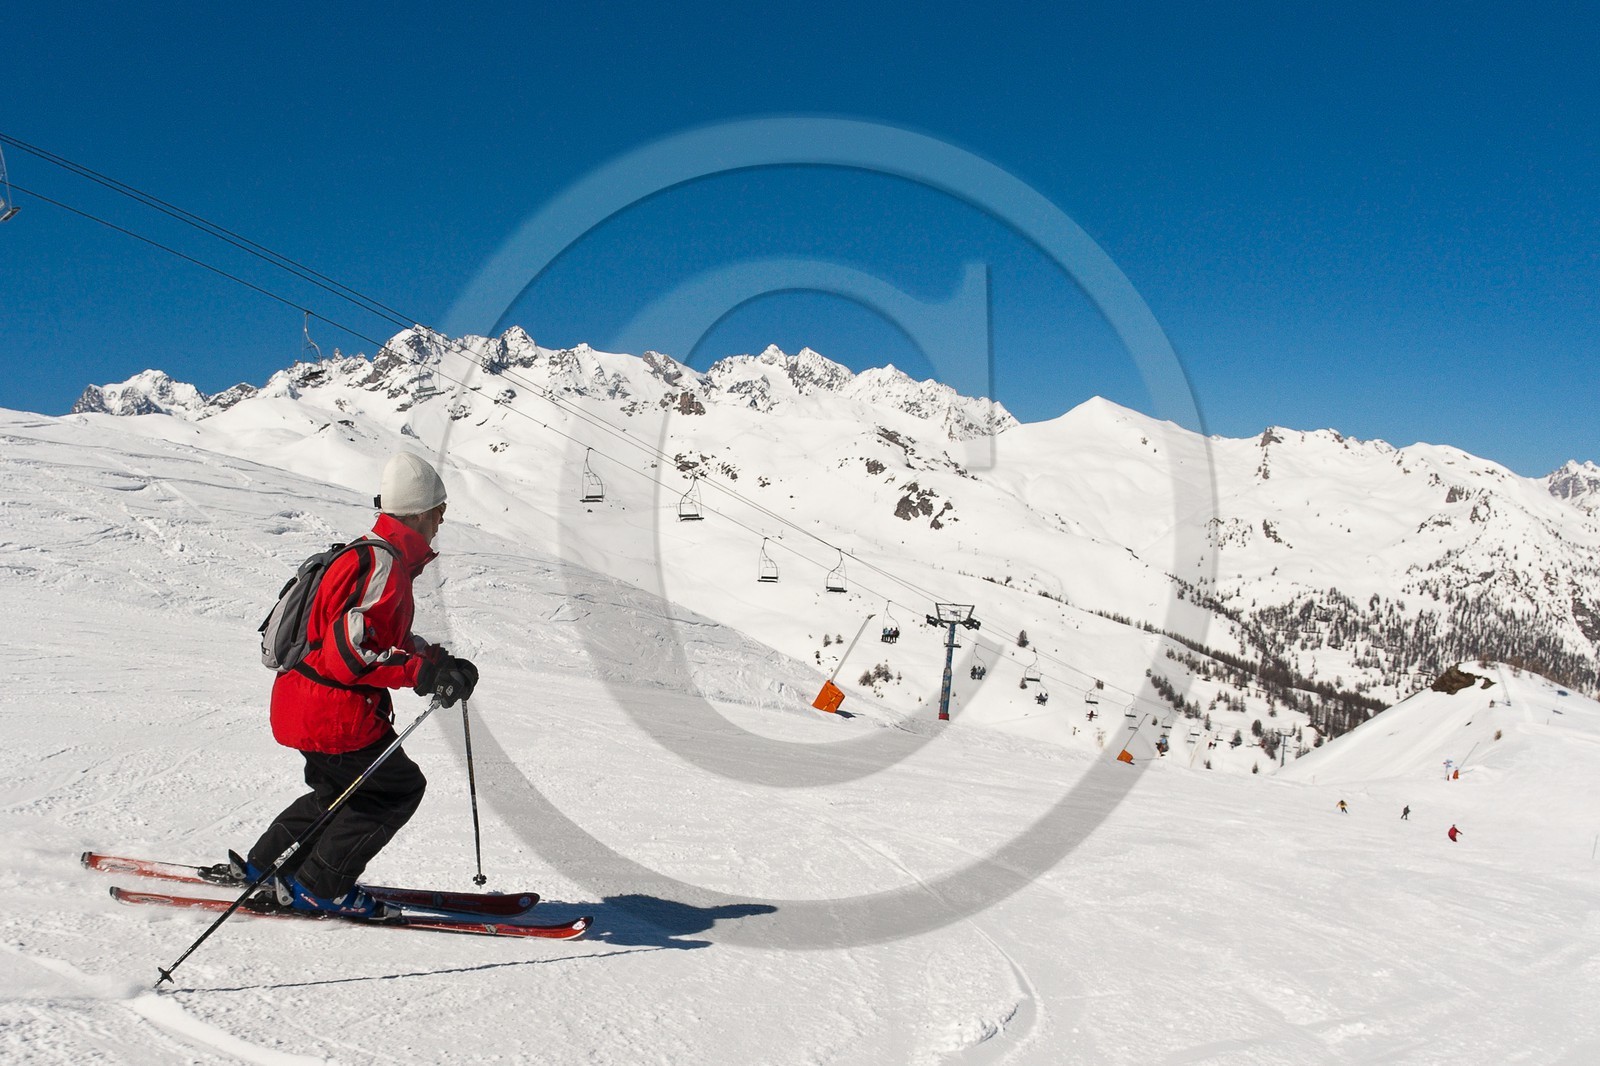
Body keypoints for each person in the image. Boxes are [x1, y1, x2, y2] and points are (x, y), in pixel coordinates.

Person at [237, 453, 478, 918]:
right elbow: (352, 653)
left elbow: (376, 636)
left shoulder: (367, 554)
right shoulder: (382, 564)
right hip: (336, 715)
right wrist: (420, 674)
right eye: (440, 510)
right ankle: (322, 885)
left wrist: (436, 661)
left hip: (300, 704)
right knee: (394, 790)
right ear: (424, 512)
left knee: (336, 795)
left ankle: (265, 868)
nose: (443, 520)